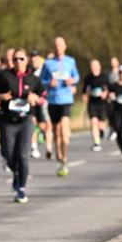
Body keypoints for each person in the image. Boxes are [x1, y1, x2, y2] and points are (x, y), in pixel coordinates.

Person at [0, 48, 42, 203]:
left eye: (21, 59)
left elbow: (43, 95)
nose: (18, 62)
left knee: (23, 155)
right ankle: (16, 173)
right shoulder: (4, 76)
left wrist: (36, 99)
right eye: (15, 59)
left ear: (27, 60)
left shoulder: (33, 78)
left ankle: (21, 188)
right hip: (8, 120)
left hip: (26, 120)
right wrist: (2, 97)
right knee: (8, 154)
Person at [39, 36, 79, 176]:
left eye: (60, 45)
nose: (58, 48)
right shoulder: (48, 63)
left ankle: (65, 159)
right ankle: (60, 156)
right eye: (56, 45)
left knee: (63, 128)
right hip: (53, 100)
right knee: (56, 131)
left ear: (65, 46)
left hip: (66, 99)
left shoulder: (70, 61)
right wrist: (48, 83)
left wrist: (72, 80)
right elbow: (41, 80)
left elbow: (76, 76)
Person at [81, 58, 109, 151]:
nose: (94, 68)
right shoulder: (88, 77)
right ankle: (97, 143)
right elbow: (84, 90)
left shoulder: (104, 76)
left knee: (101, 124)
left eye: (95, 66)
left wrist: (105, 93)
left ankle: (101, 131)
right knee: (93, 122)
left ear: (99, 67)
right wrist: (84, 97)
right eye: (92, 66)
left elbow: (109, 89)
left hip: (102, 103)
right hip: (92, 103)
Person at [30, 51, 53, 159]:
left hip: (44, 101)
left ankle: (49, 148)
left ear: (39, 58)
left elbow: (52, 82)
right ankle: (34, 148)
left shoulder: (46, 69)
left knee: (45, 125)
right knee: (32, 123)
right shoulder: (29, 71)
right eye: (32, 58)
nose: (33, 60)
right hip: (32, 101)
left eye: (35, 58)